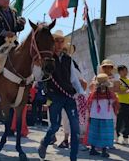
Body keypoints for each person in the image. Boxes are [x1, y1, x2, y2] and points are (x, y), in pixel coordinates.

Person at [38, 30, 84, 161]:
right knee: (55, 126)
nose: (58, 44)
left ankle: (73, 158)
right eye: (56, 41)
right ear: (52, 43)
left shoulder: (68, 59)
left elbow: (74, 79)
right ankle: (45, 142)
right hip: (54, 97)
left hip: (69, 96)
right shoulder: (47, 59)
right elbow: (39, 77)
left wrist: (81, 92)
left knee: (75, 129)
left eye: (61, 41)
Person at [87, 73, 119, 158]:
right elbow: (115, 103)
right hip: (106, 117)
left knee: (94, 132)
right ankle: (104, 151)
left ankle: (92, 149)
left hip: (94, 116)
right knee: (105, 134)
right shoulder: (110, 94)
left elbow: (89, 105)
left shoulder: (93, 94)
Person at [115, 65, 129, 145]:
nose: (125, 72)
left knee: (127, 120)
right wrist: (127, 90)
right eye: (123, 71)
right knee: (118, 120)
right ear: (119, 72)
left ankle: (125, 137)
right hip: (119, 102)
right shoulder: (118, 81)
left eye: (126, 70)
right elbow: (118, 91)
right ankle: (116, 136)